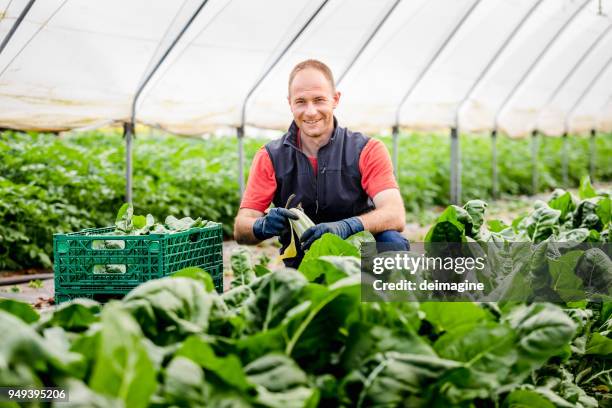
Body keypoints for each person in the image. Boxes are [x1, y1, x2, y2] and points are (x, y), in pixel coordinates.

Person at [234, 59, 408, 268]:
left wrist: (346, 226)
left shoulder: (367, 150)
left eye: (319, 100)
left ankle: (388, 299)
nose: (310, 111)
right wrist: (261, 226)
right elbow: (241, 228)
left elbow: (395, 214)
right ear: (290, 103)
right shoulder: (270, 156)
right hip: (305, 261)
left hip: (359, 255)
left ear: (335, 99)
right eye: (300, 101)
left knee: (391, 242)